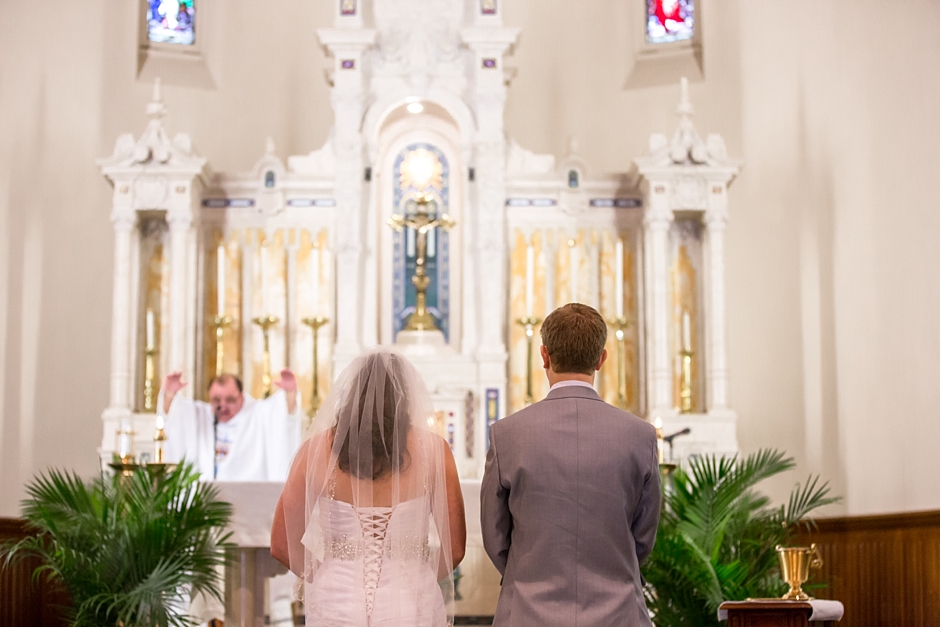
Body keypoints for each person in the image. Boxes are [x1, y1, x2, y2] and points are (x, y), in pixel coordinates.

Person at [481, 303, 661, 627]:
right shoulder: (641, 436)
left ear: (544, 356)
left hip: (527, 612)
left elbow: (495, 537)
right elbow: (643, 539)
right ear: (602, 359)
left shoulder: (506, 434)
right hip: (618, 613)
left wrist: (528, 574)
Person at [271, 348, 467, 627]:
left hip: (335, 600)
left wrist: (329, 571)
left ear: (351, 394)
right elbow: (455, 548)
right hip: (411, 601)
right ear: (405, 396)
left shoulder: (315, 450)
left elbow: (281, 544)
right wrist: (416, 575)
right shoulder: (434, 450)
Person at [161, 369, 302, 481]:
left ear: (241, 396)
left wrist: (290, 393)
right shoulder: (199, 416)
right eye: (216, 400)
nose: (223, 406)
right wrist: (169, 394)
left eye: (230, 400)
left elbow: (284, 414)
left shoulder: (258, 414)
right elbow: (173, 415)